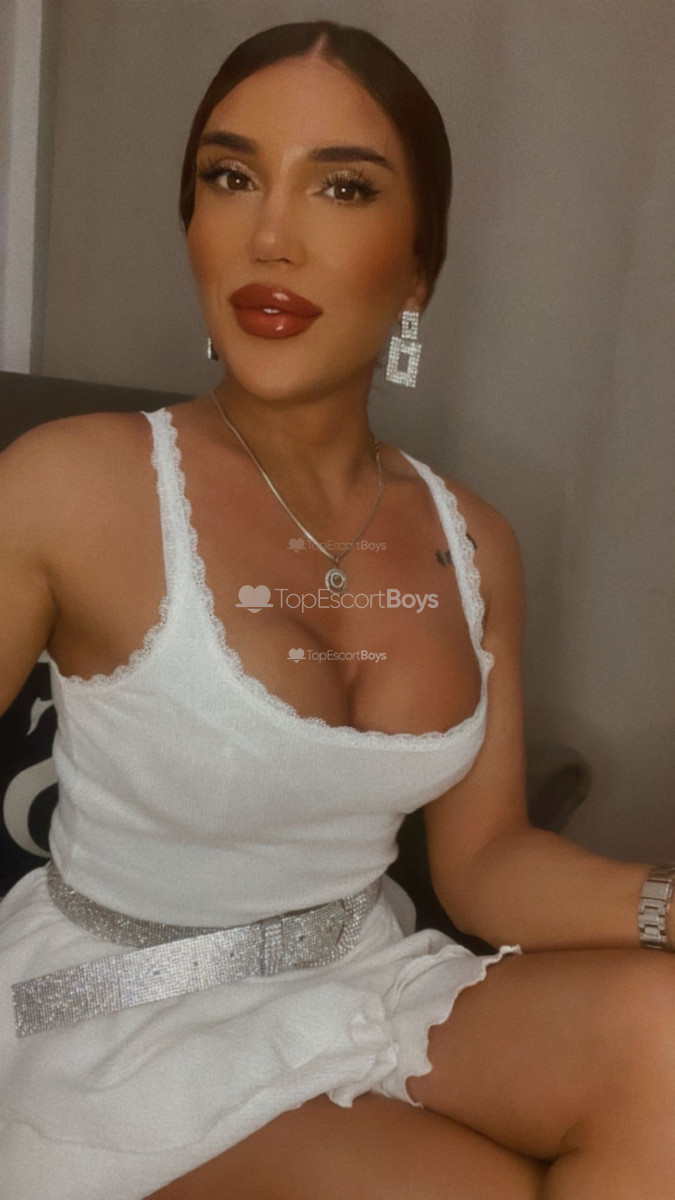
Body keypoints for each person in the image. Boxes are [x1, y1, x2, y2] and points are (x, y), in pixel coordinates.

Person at [0, 17, 674, 1200]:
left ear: (419, 268)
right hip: (115, 1005)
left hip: (362, 972)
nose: (271, 235)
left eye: (343, 187)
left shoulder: (474, 542)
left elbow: (488, 865)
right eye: (231, 177)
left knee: (663, 1037)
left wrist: (665, 907)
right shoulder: (71, 486)